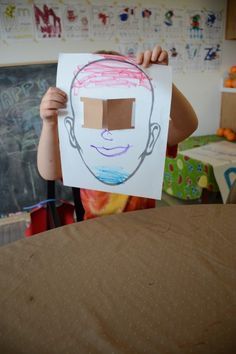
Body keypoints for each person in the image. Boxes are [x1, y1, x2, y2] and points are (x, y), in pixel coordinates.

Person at [37, 45, 198, 219]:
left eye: (122, 113)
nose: (108, 132)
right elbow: (50, 172)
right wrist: (49, 123)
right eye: (95, 113)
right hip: (96, 232)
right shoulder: (82, 137)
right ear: (72, 130)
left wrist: (163, 82)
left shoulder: (141, 133)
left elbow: (187, 126)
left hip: (146, 228)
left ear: (152, 135)